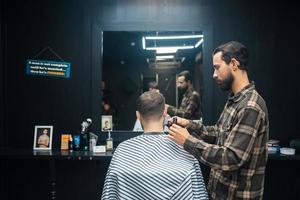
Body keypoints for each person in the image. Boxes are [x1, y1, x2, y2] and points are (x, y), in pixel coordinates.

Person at [168, 41, 269, 200]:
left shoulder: (250, 106)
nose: (214, 75)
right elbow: (218, 133)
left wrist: (187, 141)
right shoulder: (235, 100)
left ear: (234, 64)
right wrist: (189, 124)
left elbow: (231, 157)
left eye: (217, 67)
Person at [102, 91, 208, 200]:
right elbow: (198, 194)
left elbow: (110, 194)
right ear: (165, 112)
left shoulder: (123, 149)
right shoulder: (184, 149)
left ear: (138, 115)